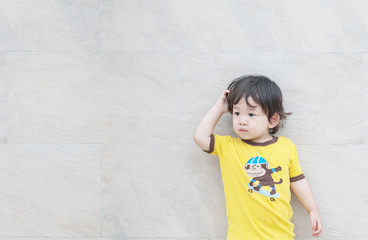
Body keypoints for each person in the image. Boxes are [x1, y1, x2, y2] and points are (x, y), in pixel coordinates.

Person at [193, 75, 323, 240]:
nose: (242, 121)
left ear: (272, 119)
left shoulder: (285, 147)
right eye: (237, 113)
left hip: (281, 235)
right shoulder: (229, 147)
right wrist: (219, 108)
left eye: (251, 114)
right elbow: (200, 137)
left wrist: (312, 209)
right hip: (241, 236)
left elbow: (298, 180)